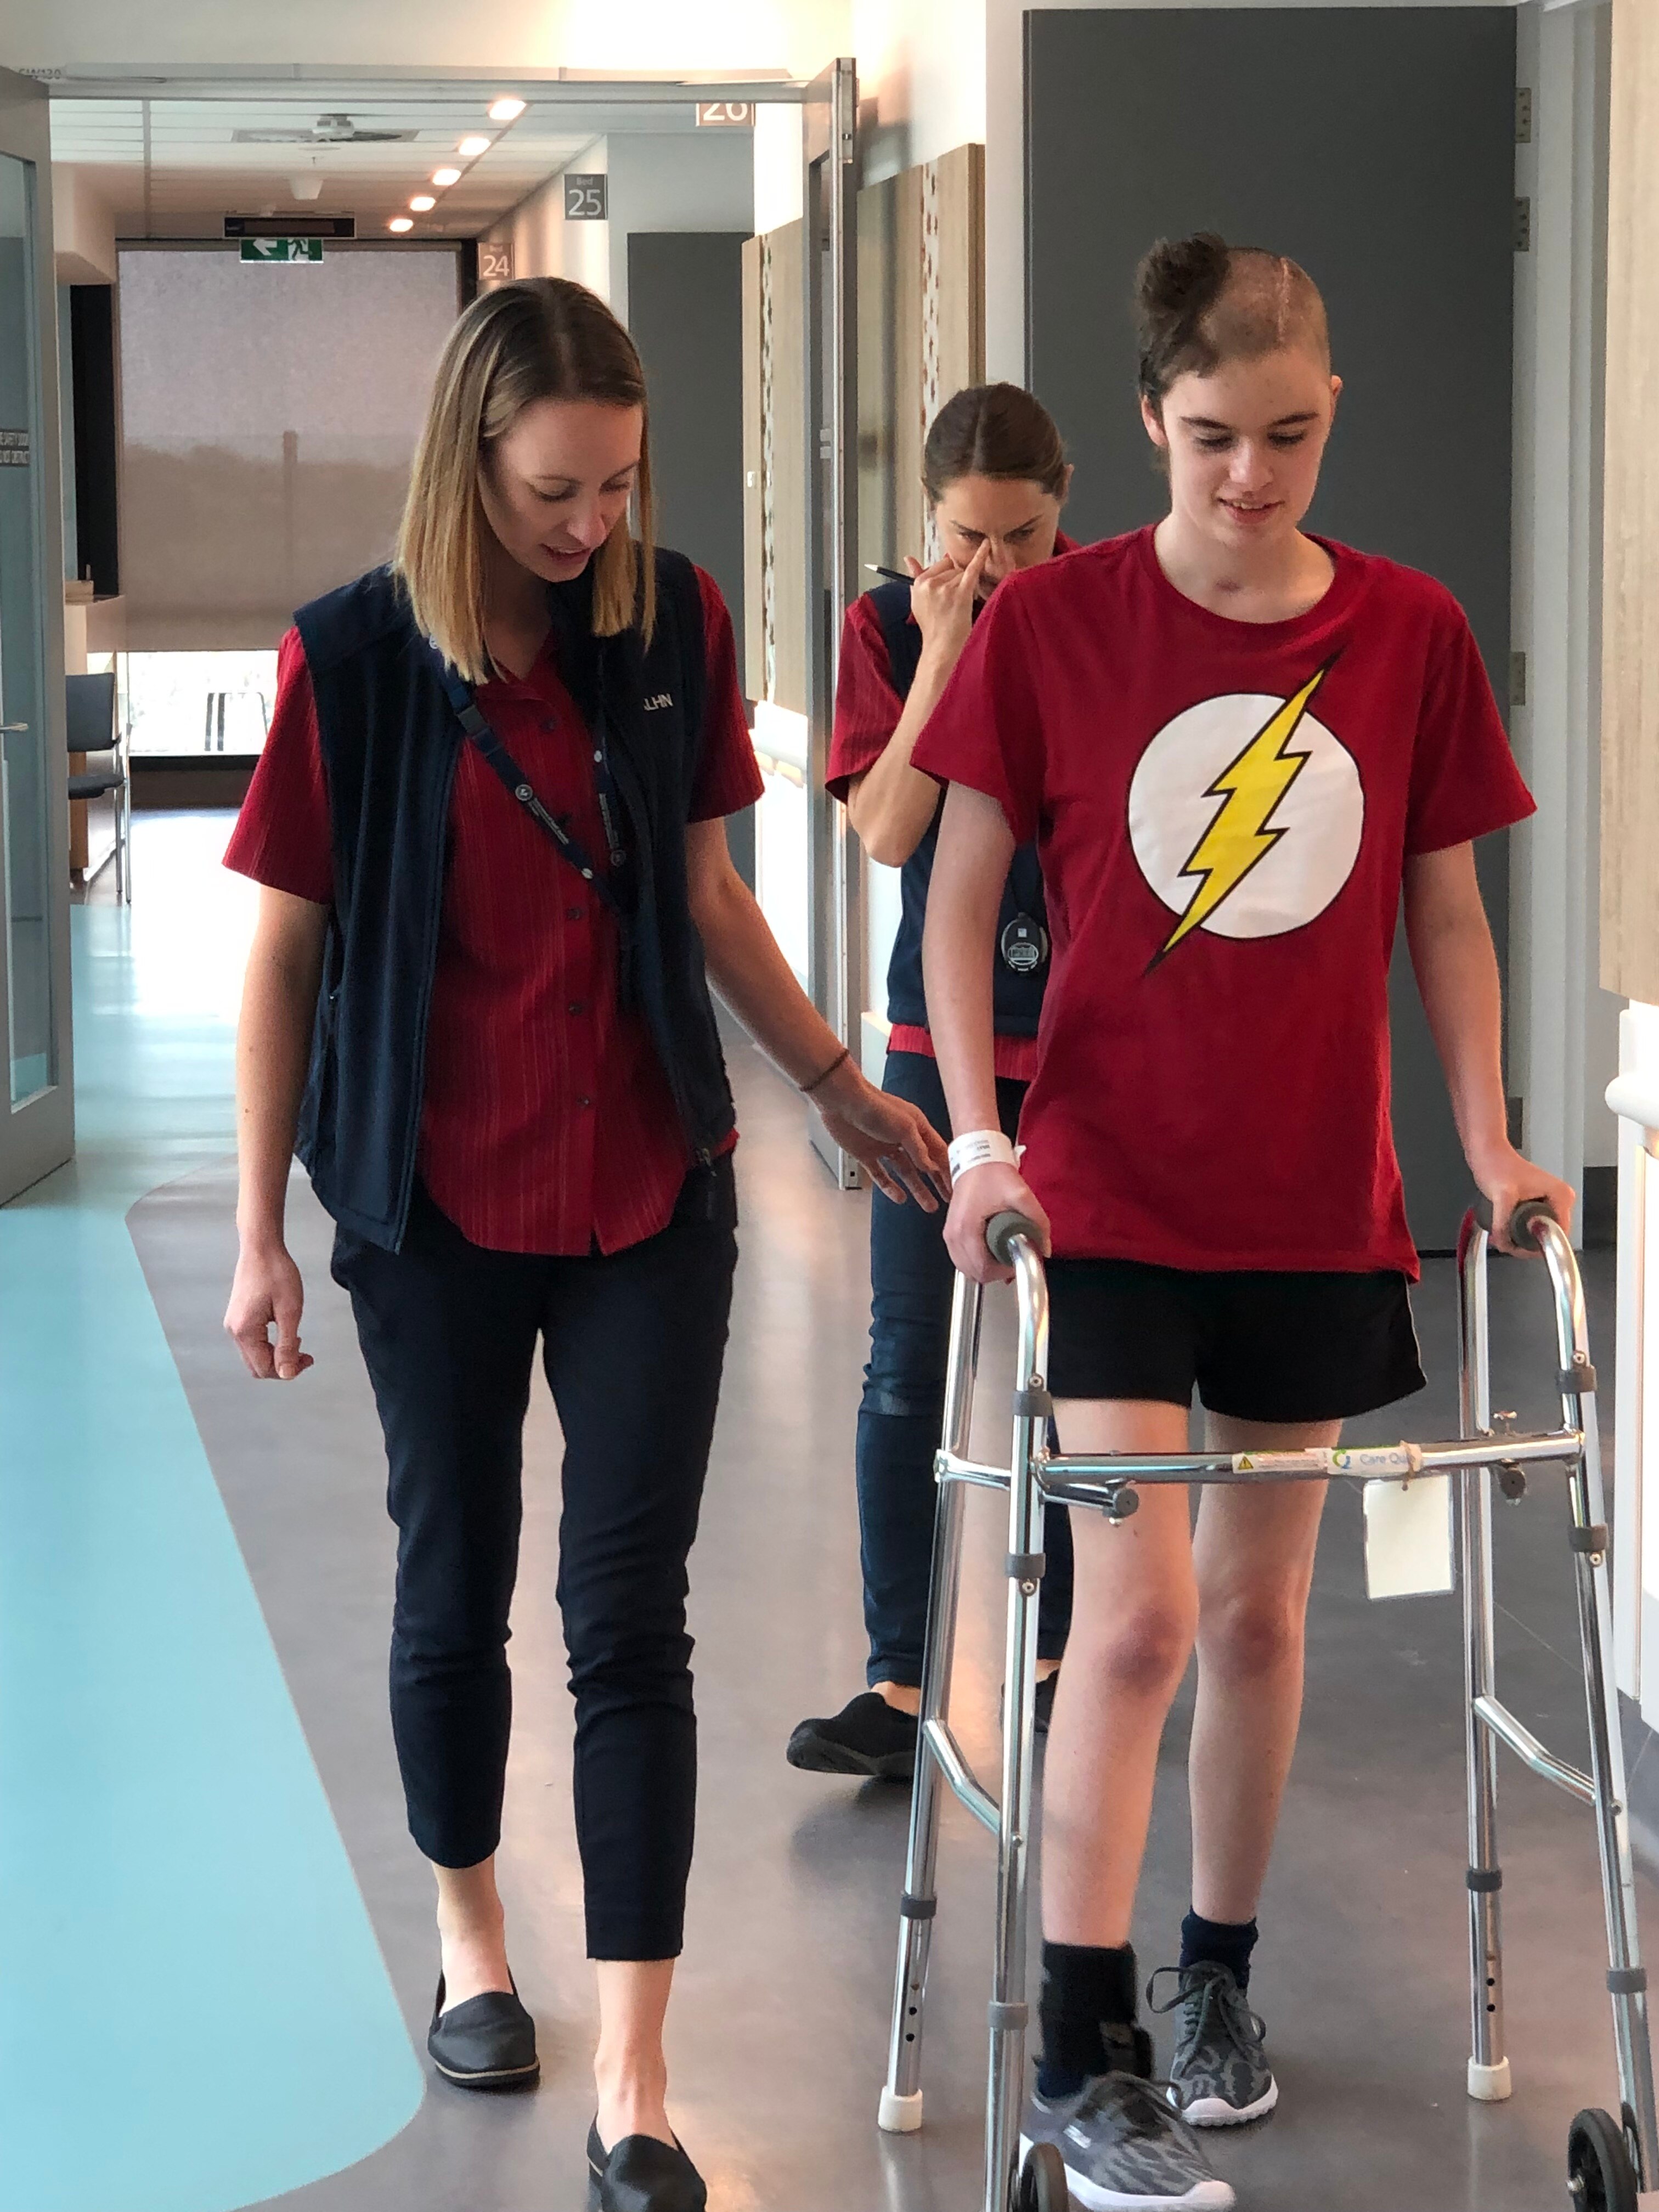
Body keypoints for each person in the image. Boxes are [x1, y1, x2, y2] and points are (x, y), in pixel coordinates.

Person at [221, 276, 947, 2212]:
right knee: (453, 1581)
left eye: (620, 484)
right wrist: (256, 1235)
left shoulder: (669, 620)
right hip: (430, 1206)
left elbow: (704, 889)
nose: (590, 525)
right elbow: (283, 953)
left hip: (645, 1193)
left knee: (629, 1619)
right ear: (474, 458)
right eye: (557, 488)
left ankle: (638, 2078)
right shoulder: (353, 662)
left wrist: (828, 1081)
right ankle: (472, 1937)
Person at [914, 234, 1573, 2210]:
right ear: (1147, 419)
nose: (1249, 479)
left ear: (1331, 411)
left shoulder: (1409, 634)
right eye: (1210, 438)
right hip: (1103, 1195)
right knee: (1128, 1621)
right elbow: (958, 897)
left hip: (1310, 1199)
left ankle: (1213, 1982)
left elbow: (1444, 912)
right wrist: (972, 1141)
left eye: (1288, 436)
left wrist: (1490, 1137)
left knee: (1266, 1616)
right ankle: (1080, 2033)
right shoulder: (1056, 630)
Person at [787, 385, 1077, 1784]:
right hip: (930, 1052)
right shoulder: (888, 628)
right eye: (971, 535)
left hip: (1083, 1053)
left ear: (1065, 508)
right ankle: (902, 1683)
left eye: (1024, 536)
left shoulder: (1108, 613)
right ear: (928, 523)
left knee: (1076, 1374)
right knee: (906, 1368)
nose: (999, 564)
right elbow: (891, 831)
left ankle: (1057, 1667)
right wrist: (953, 652)